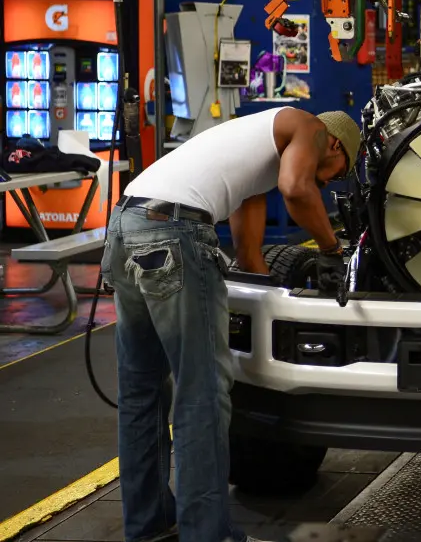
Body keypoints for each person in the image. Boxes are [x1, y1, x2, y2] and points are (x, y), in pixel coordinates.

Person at [102, 108, 361, 542]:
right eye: (337, 174)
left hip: (125, 225)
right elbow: (296, 190)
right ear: (333, 144)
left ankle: (148, 528)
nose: (327, 183)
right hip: (174, 234)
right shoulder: (309, 127)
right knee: (201, 395)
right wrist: (332, 250)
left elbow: (249, 256)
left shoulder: (255, 150)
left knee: (142, 393)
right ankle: (208, 534)